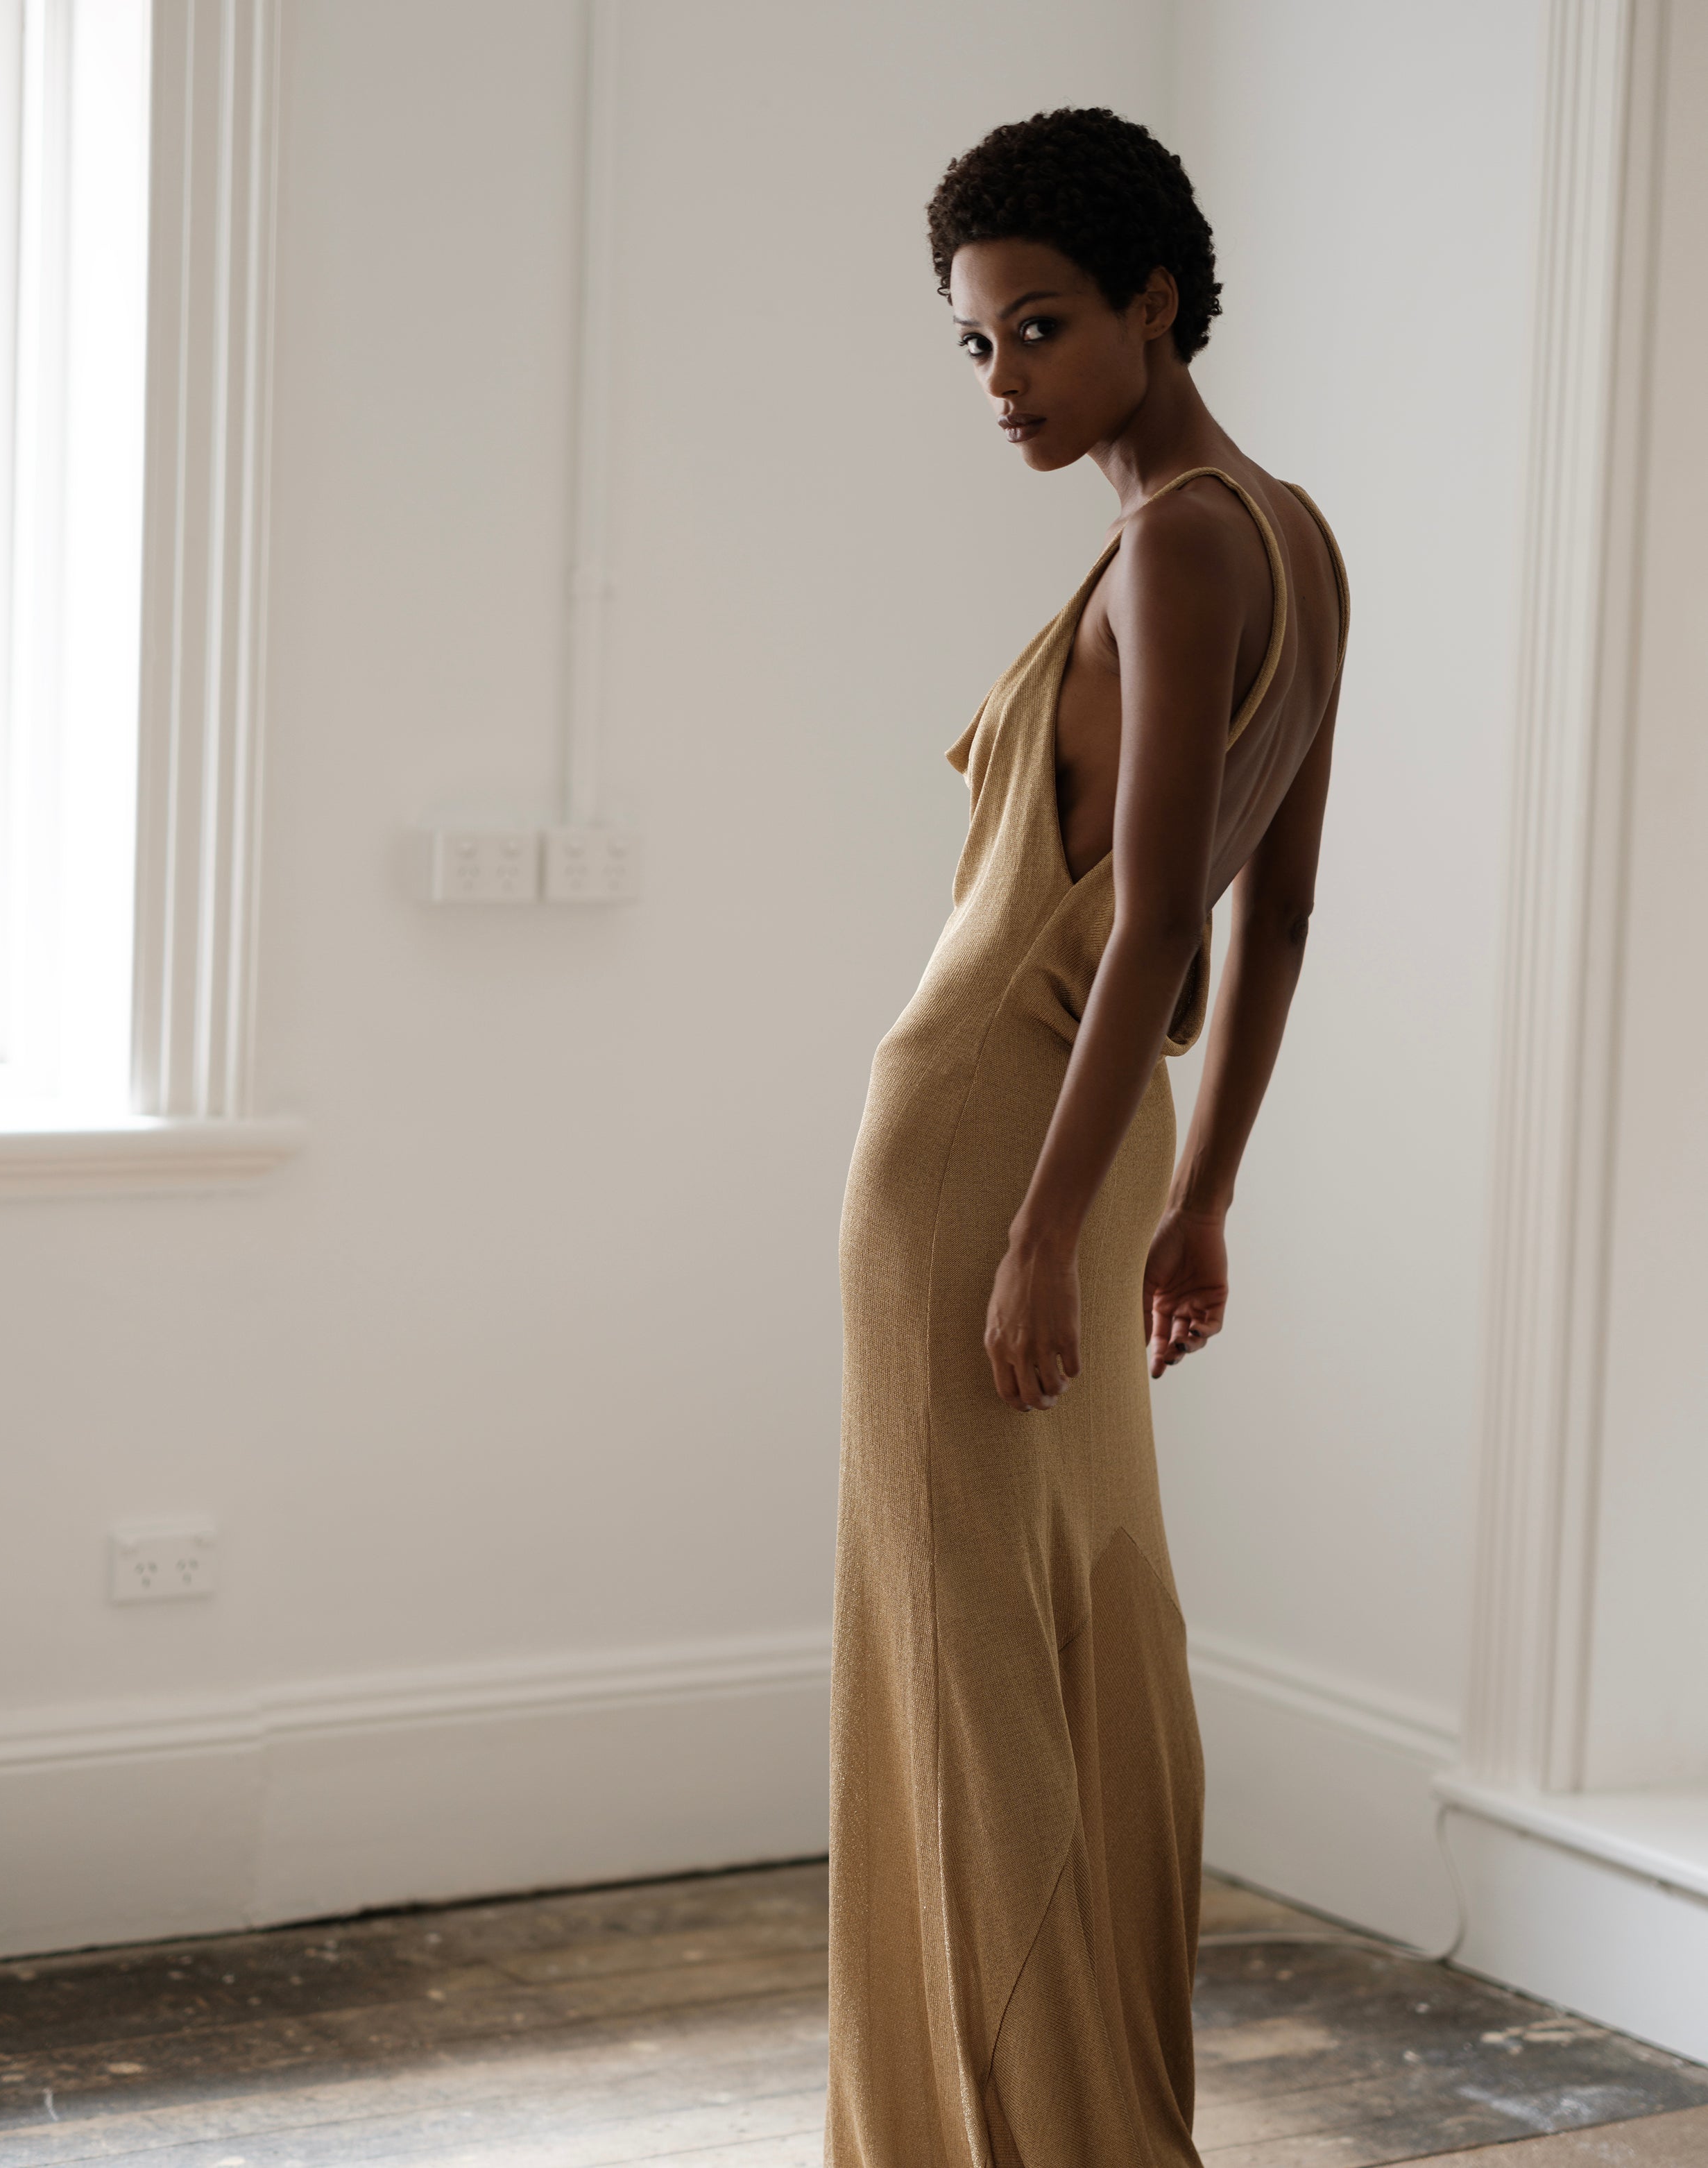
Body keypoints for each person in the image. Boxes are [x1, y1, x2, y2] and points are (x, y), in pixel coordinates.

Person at [827, 107, 1350, 2168]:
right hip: (1098, 1127)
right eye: (970, 343)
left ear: (1155, 300)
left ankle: (1016, 2139)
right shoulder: (1293, 529)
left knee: (969, 1658)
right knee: (1069, 1622)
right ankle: (1076, 2119)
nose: (1001, 382)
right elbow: (1279, 906)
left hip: (984, 1140)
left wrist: (1047, 1234)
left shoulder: (1177, 537)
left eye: (1038, 327)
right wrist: (1196, 1185)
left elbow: (1158, 915)